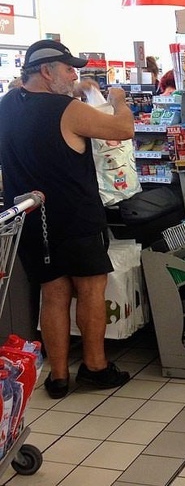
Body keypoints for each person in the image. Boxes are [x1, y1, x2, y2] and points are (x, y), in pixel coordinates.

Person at [0, 39, 134, 399]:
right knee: (91, 290)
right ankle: (95, 367)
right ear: (46, 71)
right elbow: (123, 129)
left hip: (31, 218)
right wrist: (119, 99)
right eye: (69, 68)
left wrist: (82, 88)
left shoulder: (7, 105)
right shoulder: (68, 109)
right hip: (75, 217)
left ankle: (58, 377)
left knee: (53, 293)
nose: (75, 74)